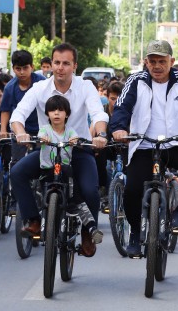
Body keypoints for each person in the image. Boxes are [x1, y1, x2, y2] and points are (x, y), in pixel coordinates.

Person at [110, 40, 178, 258]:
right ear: (146, 62)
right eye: (152, 61)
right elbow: (122, 107)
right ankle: (135, 233)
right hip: (144, 145)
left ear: (171, 61)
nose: (156, 66)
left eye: (161, 61)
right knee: (133, 190)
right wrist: (118, 129)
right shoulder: (135, 81)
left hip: (176, 143)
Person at [9, 43, 108, 257]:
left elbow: (98, 114)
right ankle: (34, 220)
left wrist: (100, 135)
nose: (60, 68)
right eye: (56, 63)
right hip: (48, 149)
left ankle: (87, 235)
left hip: (78, 148)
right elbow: (17, 116)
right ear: (50, 64)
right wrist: (20, 133)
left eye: (66, 63)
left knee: (90, 190)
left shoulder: (85, 87)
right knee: (17, 172)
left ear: (75, 66)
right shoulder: (39, 88)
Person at [38, 95, 103, 244]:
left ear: (66, 114)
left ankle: (92, 228)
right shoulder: (45, 130)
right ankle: (41, 224)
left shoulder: (70, 131)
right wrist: (43, 139)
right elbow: (40, 136)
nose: (56, 113)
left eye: (60, 110)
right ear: (47, 113)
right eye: (52, 110)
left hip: (65, 170)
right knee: (41, 195)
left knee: (77, 196)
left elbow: (75, 137)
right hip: (48, 169)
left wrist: (75, 141)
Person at [0, 50, 46, 161]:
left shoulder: (42, 82)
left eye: (25, 68)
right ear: (13, 68)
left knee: (43, 162)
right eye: (18, 69)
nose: (22, 72)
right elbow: (5, 110)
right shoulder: (10, 87)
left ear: (32, 67)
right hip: (19, 131)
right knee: (17, 163)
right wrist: (3, 129)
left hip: (41, 129)